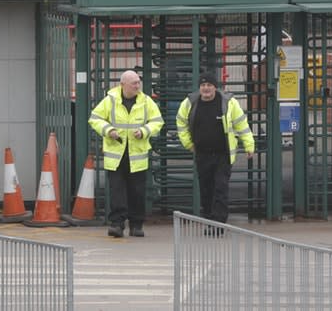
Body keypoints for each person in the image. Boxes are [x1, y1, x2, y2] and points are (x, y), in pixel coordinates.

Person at [176, 71, 255, 234]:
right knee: (206, 189)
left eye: (209, 85)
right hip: (202, 154)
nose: (206, 88)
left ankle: (219, 224)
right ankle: (209, 220)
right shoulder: (190, 102)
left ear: (215, 87)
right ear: (199, 88)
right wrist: (188, 144)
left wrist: (249, 145)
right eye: (203, 85)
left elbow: (242, 125)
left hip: (223, 154)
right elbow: (181, 122)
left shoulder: (228, 103)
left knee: (220, 188)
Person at [89, 70, 164, 238]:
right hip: (116, 156)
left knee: (137, 192)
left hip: (137, 156)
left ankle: (136, 225)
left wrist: (144, 131)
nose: (138, 86)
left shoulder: (146, 101)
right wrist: (108, 130)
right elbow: (95, 118)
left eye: (138, 82)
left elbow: (158, 121)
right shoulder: (110, 101)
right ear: (122, 85)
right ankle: (117, 224)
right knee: (117, 191)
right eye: (134, 83)